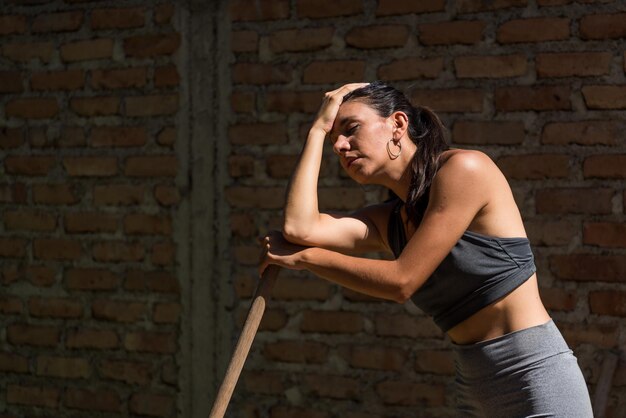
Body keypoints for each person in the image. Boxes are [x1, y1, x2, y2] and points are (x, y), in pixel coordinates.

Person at [258, 81, 593, 417]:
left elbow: (402, 281)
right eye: (334, 140)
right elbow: (299, 228)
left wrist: (307, 258)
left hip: (535, 378)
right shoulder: (389, 221)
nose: (340, 146)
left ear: (398, 124)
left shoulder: (465, 170)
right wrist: (317, 130)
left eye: (351, 129)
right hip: (474, 387)